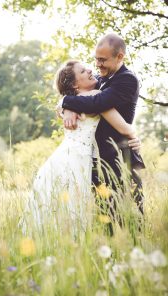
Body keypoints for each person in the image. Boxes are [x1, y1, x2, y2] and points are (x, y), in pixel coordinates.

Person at [28, 60, 140, 233]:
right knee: (74, 211)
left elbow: (65, 101)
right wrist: (135, 136)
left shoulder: (74, 101)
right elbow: (123, 127)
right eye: (82, 71)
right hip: (78, 161)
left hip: (60, 160)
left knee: (58, 209)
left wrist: (65, 103)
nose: (90, 70)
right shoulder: (96, 96)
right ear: (74, 83)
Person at [58, 33, 145, 215]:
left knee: (131, 218)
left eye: (103, 60)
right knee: (105, 219)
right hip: (98, 164)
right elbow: (81, 94)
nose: (97, 65)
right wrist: (66, 107)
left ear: (119, 56)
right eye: (96, 59)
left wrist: (66, 101)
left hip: (122, 159)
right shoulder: (101, 79)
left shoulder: (127, 80)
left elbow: (97, 103)